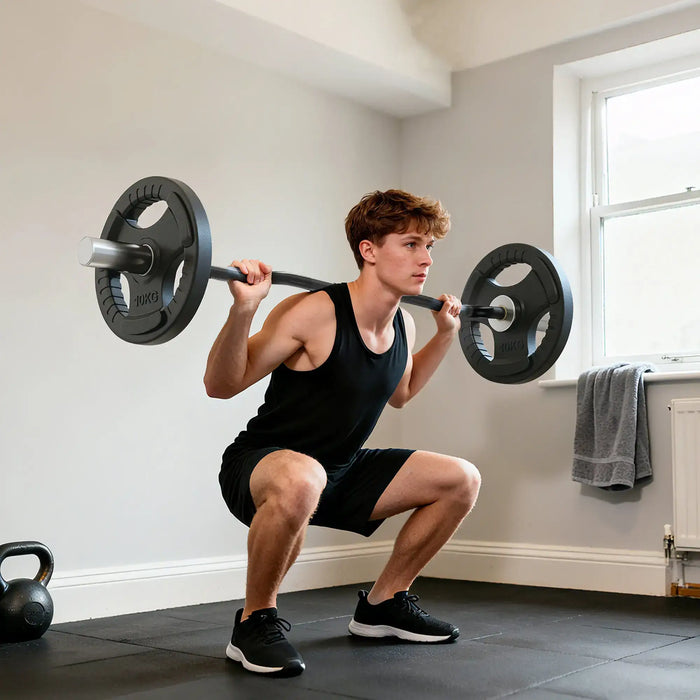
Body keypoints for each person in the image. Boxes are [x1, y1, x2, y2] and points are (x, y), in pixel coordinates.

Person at [204, 189, 481, 677]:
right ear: (369, 250)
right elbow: (221, 385)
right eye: (412, 244)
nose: (426, 259)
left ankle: (384, 604)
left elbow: (403, 391)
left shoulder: (404, 326)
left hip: (340, 469)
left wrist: (443, 335)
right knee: (304, 477)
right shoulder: (313, 312)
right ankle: (254, 622)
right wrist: (244, 309)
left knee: (461, 478)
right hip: (264, 463)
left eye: (430, 246)